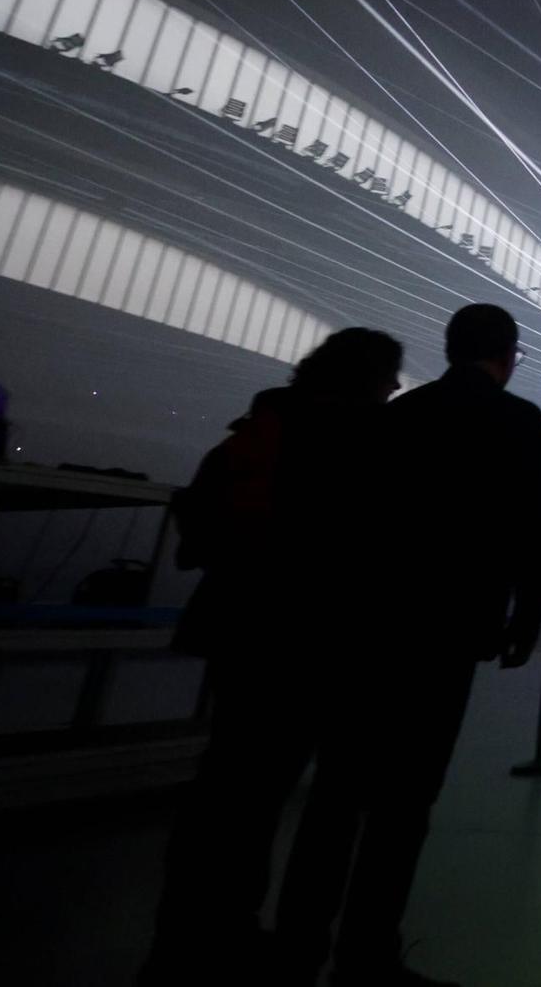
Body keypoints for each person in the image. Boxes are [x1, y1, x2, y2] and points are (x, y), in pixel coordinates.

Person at [277, 304, 541, 986]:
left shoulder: (396, 417)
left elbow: (349, 523)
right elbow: (534, 530)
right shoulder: (519, 421)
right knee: (406, 800)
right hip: (452, 630)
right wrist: (525, 618)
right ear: (509, 354)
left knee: (339, 791)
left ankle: (295, 949)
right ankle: (367, 953)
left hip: (371, 627)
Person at [142, 328, 403, 985]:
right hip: (335, 642)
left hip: (245, 632)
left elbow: (199, 521)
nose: (397, 386)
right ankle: (296, 948)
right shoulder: (378, 440)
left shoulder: (261, 426)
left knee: (231, 790)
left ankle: (187, 941)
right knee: (331, 803)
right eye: (390, 374)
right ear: (370, 378)